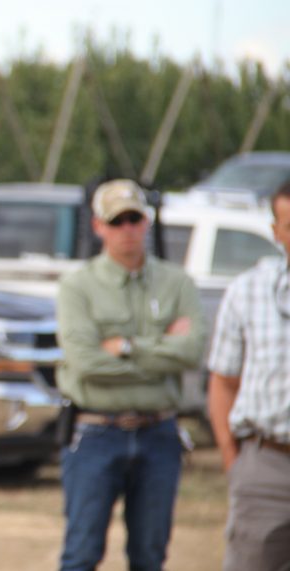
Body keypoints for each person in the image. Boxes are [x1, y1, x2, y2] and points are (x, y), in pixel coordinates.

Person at [55, 178, 206, 571]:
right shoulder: (77, 287)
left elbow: (192, 352)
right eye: (117, 220)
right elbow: (86, 363)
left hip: (159, 434)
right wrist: (160, 352)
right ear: (98, 226)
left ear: (147, 222)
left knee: (149, 556)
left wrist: (126, 347)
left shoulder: (177, 283)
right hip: (95, 433)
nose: (127, 229)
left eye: (134, 218)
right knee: (82, 553)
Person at [208, 180, 290, 570]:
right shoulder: (248, 291)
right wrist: (234, 460)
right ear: (276, 232)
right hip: (268, 465)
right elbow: (223, 382)